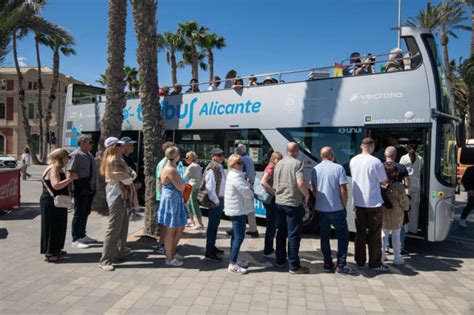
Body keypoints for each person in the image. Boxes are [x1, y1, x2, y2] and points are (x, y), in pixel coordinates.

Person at [310, 147, 355, 275]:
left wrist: (319, 200)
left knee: (325, 236)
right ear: (332, 155)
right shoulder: (338, 168)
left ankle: (327, 263)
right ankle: (341, 265)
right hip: (336, 208)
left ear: (321, 155)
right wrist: (344, 204)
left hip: (321, 208)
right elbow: (343, 190)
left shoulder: (315, 169)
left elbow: (313, 188)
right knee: (343, 236)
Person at [350, 137, 390, 271]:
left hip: (358, 202)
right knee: (374, 234)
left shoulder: (353, 160)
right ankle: (375, 264)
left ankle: (360, 261)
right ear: (372, 146)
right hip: (373, 203)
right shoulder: (376, 162)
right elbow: (384, 181)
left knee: (360, 233)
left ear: (362, 146)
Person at [98, 137, 136, 271]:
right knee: (114, 228)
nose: (122, 146)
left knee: (123, 226)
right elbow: (126, 178)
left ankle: (120, 252)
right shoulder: (113, 160)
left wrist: (130, 175)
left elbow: (129, 174)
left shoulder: (117, 159)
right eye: (119, 144)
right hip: (117, 196)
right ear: (114, 147)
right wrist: (131, 176)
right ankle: (105, 260)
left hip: (122, 195)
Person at [273, 142, 310, 274]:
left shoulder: (278, 163)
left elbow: (275, 184)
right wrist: (306, 195)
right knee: (293, 235)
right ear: (297, 151)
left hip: (279, 202)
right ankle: (294, 266)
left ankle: (280, 260)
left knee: (281, 233)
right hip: (293, 203)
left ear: (287, 150)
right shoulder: (297, 164)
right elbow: (300, 183)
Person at [40, 148, 77, 263]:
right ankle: (50, 253)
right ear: (61, 157)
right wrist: (70, 179)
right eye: (68, 157)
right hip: (51, 202)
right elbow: (56, 185)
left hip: (57, 203)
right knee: (51, 226)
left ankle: (56, 249)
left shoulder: (58, 168)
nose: (68, 160)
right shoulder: (54, 168)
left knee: (59, 226)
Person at [224, 154, 255, 274]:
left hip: (237, 209)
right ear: (233, 164)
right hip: (237, 210)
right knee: (239, 237)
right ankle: (232, 264)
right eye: (239, 162)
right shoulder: (236, 177)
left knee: (235, 236)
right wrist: (251, 190)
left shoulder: (235, 175)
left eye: (242, 162)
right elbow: (247, 193)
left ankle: (234, 259)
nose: (242, 164)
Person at [157, 146, 188, 267]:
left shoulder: (167, 167)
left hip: (171, 200)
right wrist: (184, 184)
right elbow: (181, 187)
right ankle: (169, 258)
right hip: (172, 202)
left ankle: (172, 253)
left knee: (179, 227)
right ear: (175, 156)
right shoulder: (171, 170)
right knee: (172, 229)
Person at [67, 134, 99, 249]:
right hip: (81, 187)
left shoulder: (89, 155)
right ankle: (75, 239)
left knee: (86, 212)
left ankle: (82, 235)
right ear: (82, 143)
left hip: (90, 187)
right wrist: (70, 189)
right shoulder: (75, 155)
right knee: (79, 212)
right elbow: (69, 172)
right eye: (90, 142)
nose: (92, 144)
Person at [199, 148, 226, 261]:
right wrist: (217, 202)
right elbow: (210, 188)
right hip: (216, 201)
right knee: (212, 227)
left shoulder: (218, 167)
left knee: (214, 226)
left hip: (219, 200)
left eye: (223, 155)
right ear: (213, 156)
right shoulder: (212, 168)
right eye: (219, 155)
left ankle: (212, 247)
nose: (222, 157)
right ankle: (209, 252)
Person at [381, 163, 410, 265]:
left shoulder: (380, 184)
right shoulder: (398, 186)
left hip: (383, 213)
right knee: (396, 235)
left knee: (383, 234)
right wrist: (407, 208)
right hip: (396, 214)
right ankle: (397, 257)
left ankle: (382, 256)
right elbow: (404, 201)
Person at [154, 141, 176, 254]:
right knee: (164, 224)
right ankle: (161, 245)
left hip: (164, 197)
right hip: (163, 198)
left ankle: (163, 244)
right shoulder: (164, 164)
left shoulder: (168, 163)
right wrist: (163, 196)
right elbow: (159, 181)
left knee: (165, 223)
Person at [260, 151, 283, 259]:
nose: (280, 161)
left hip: (270, 200)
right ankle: (268, 251)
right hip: (270, 200)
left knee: (272, 225)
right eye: (278, 159)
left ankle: (269, 249)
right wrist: (274, 194)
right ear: (274, 159)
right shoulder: (271, 168)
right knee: (271, 226)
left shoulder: (272, 167)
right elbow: (264, 182)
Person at [235, 144, 258, 237]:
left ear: (240, 151)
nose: (235, 152)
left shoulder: (242, 160)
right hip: (250, 185)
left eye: (236, 150)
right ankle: (253, 229)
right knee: (249, 208)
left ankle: (237, 229)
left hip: (244, 186)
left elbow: (242, 174)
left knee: (239, 208)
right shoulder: (249, 158)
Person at [399, 144, 422, 235]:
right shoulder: (403, 158)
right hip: (406, 183)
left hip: (416, 184)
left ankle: (413, 228)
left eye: (412, 147)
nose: (410, 149)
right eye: (409, 148)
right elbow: (400, 170)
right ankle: (406, 228)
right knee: (406, 207)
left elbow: (419, 170)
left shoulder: (419, 158)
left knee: (415, 207)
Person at [184, 151, 204, 229]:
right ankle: (192, 220)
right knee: (190, 204)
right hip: (195, 187)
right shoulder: (197, 166)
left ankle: (200, 224)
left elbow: (185, 177)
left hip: (192, 187)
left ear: (192, 158)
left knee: (193, 205)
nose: (185, 159)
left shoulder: (191, 166)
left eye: (187, 157)